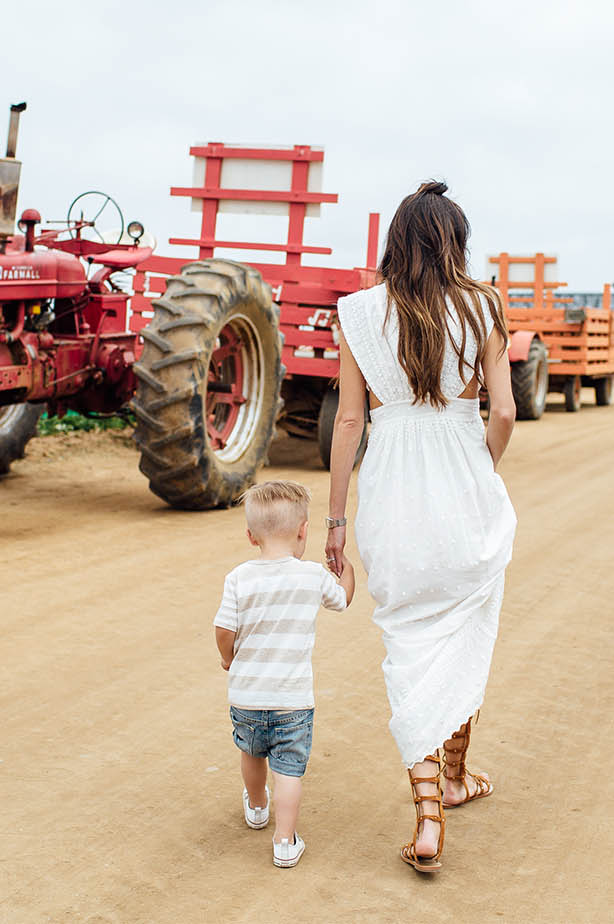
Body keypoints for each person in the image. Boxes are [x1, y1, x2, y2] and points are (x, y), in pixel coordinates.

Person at [325, 181, 517, 873]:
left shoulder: (356, 312)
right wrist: (480, 474)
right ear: (454, 242)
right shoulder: (485, 305)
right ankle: (458, 776)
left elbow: (349, 422)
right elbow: (502, 415)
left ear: (396, 242)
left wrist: (337, 522)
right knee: (466, 631)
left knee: (409, 643)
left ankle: (431, 811)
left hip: (393, 493)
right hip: (466, 482)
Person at [213, 480, 355, 868]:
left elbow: (224, 630)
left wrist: (228, 658)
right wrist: (347, 571)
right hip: (292, 700)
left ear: (249, 535)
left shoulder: (239, 578)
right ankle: (284, 841)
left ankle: (257, 807)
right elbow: (342, 600)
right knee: (288, 771)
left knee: (251, 752)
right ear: (303, 530)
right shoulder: (312, 576)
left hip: (247, 696)